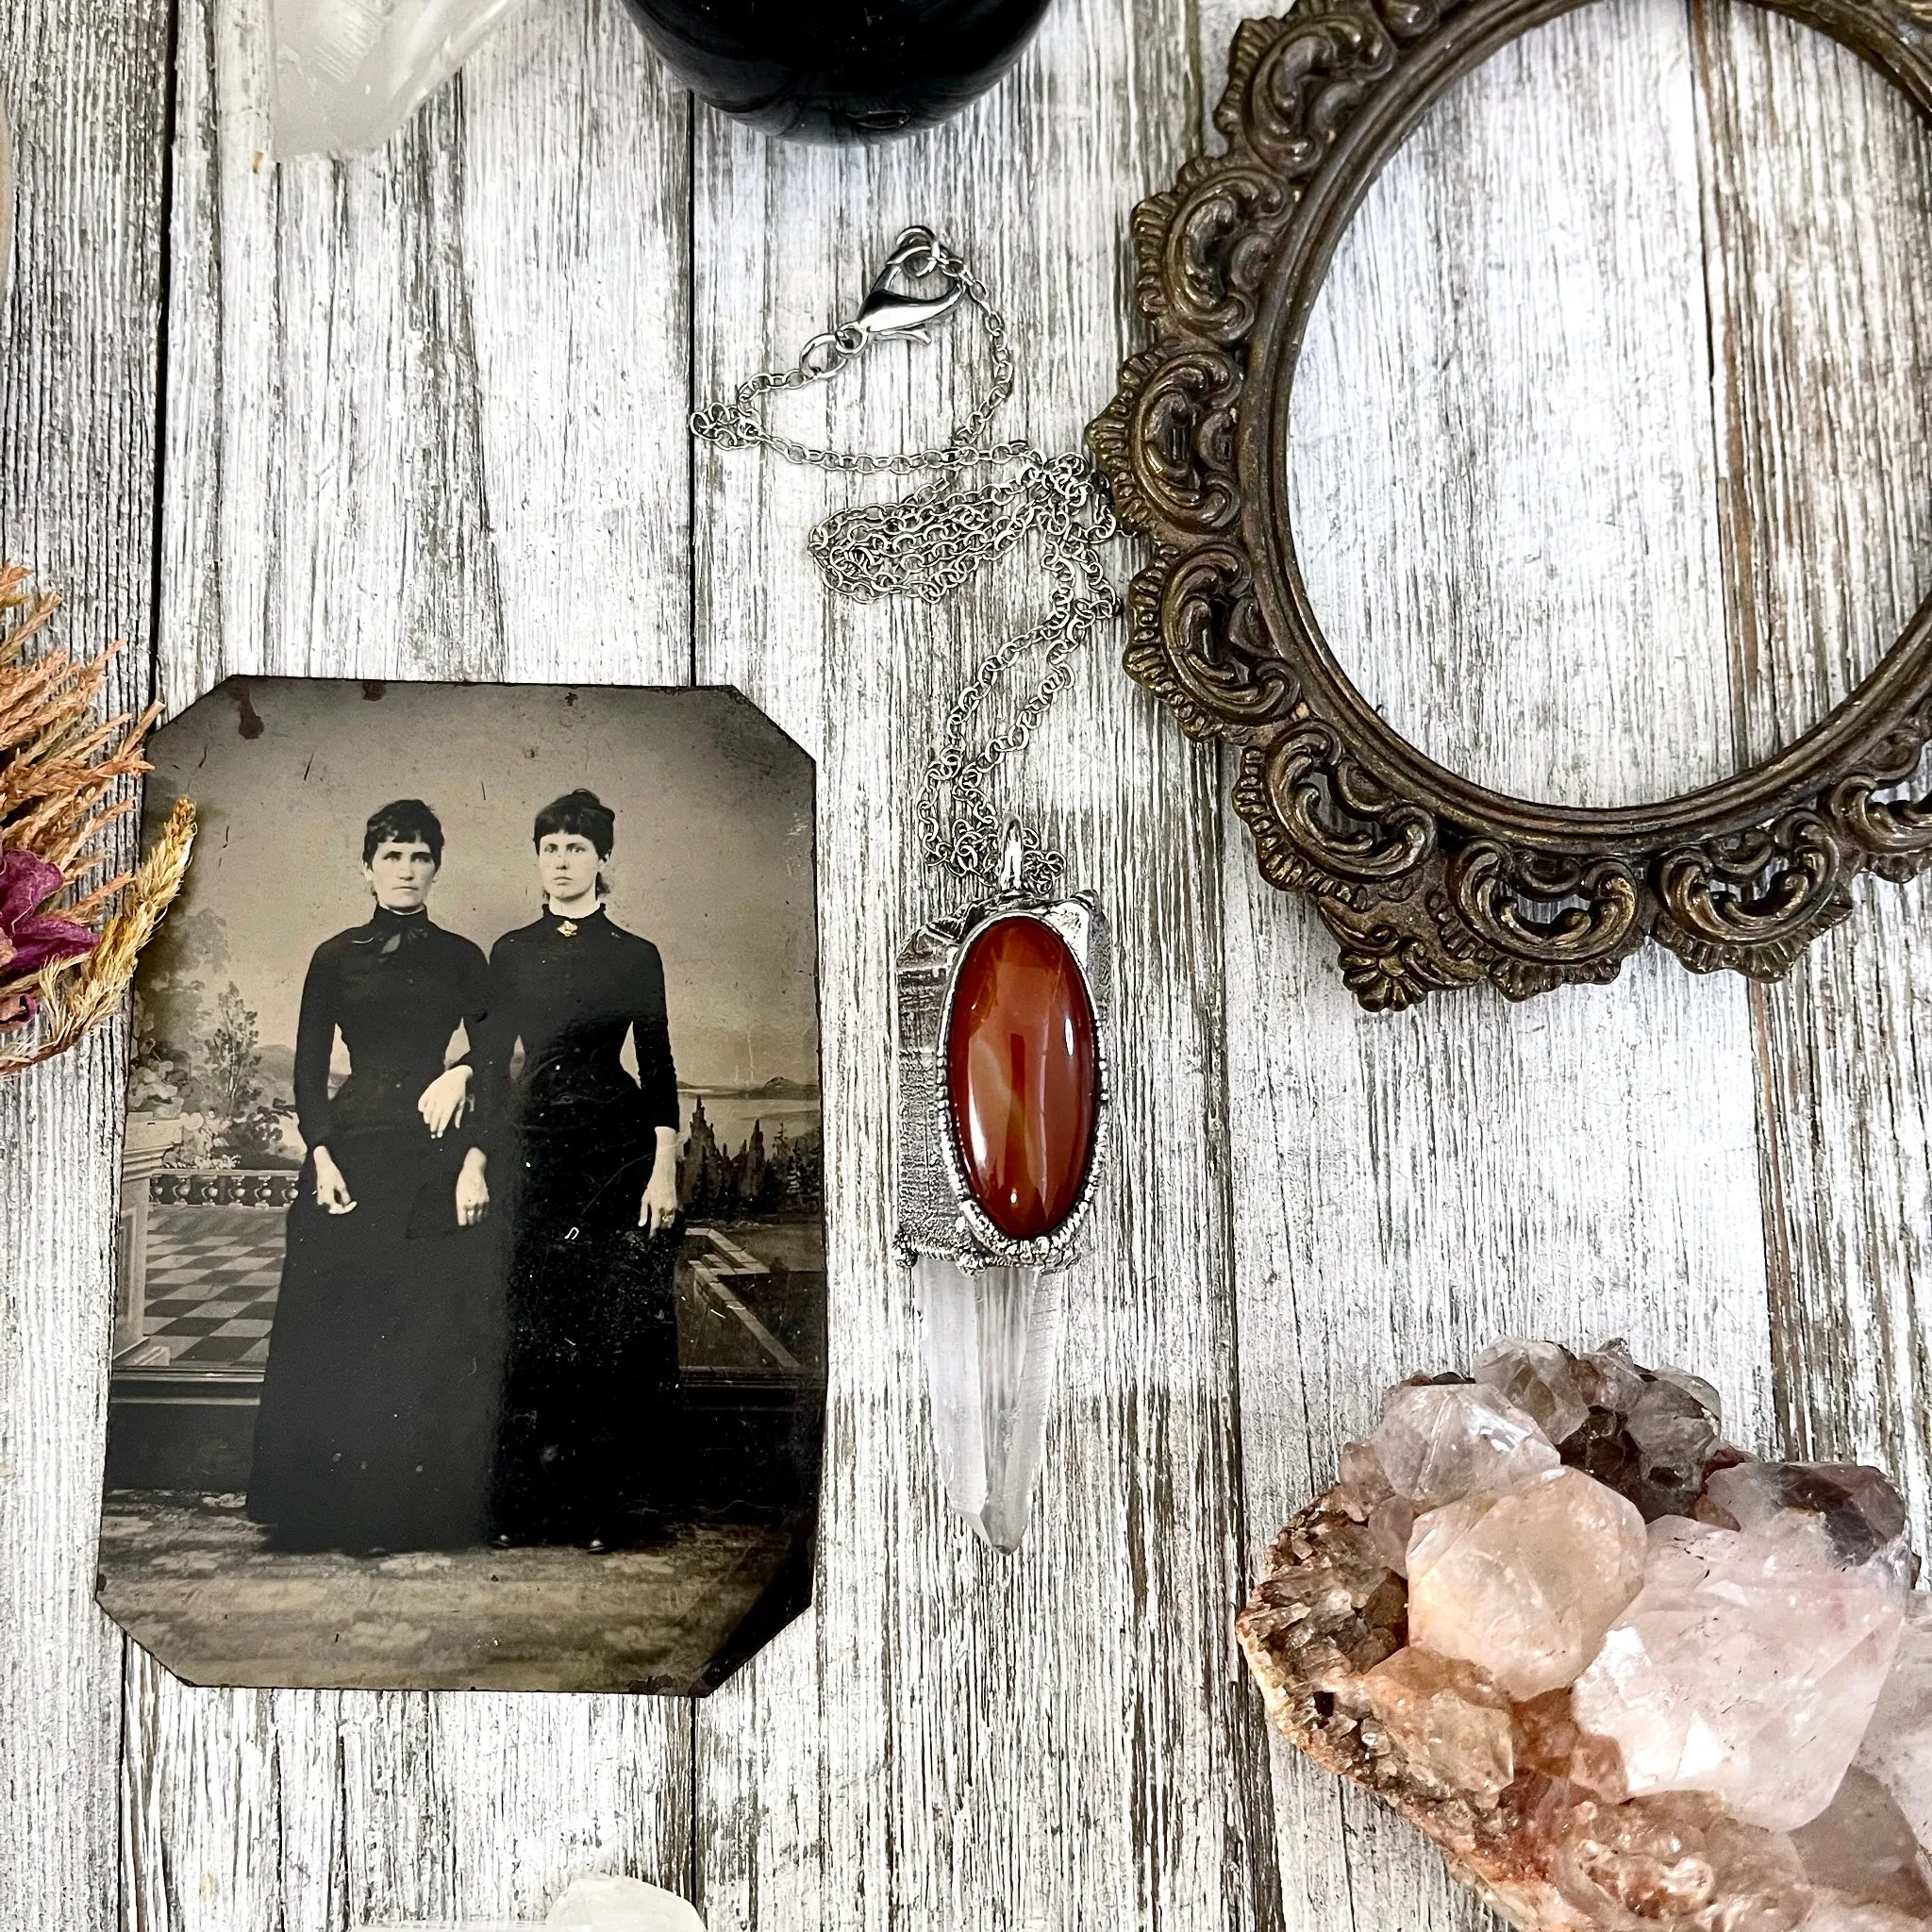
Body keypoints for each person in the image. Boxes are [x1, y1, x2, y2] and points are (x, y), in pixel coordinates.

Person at [246, 799, 502, 1553]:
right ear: (367, 868)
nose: (406, 870)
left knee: (417, 1327)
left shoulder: (461, 956)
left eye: (420, 856)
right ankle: (324, 1510)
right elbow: (304, 1069)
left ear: (436, 868)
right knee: (340, 1323)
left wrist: (457, 1072)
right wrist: (319, 1154)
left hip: (432, 1155)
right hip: (351, 1153)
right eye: (392, 856)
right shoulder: (334, 955)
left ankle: (400, 1514)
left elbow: (499, 1046)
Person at [471, 789, 684, 1550]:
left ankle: (602, 1508)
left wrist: (663, 1170)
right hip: (531, 1147)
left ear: (603, 862)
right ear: (538, 860)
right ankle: (527, 1508)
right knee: (531, 1323)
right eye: (550, 847)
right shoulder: (511, 951)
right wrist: (476, 1160)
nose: (562, 861)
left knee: (604, 1328)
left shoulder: (634, 954)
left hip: (613, 1152)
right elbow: (493, 1066)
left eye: (576, 848)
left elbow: (657, 1069)